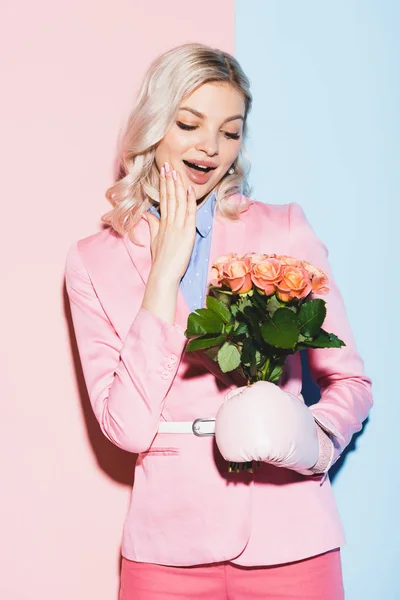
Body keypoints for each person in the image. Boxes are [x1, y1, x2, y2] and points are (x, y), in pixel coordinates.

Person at [65, 42, 373, 600]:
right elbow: (127, 427)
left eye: (229, 132)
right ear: (154, 124)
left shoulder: (283, 231)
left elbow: (350, 381)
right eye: (189, 123)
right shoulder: (92, 261)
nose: (210, 147)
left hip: (292, 540)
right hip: (165, 551)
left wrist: (318, 440)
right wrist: (164, 273)